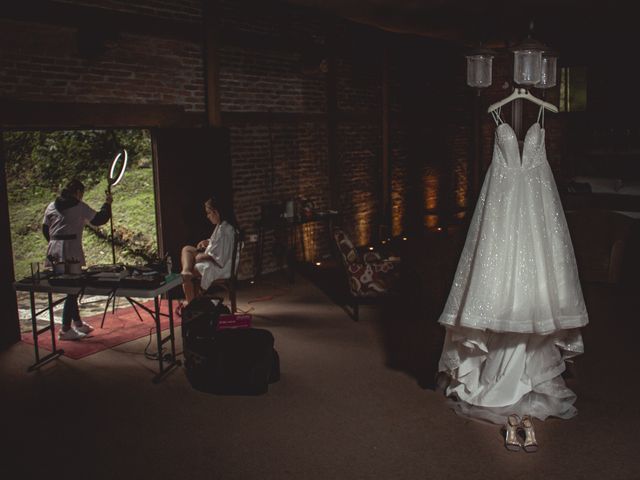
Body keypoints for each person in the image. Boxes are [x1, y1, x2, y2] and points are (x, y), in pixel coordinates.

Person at [437, 104, 588, 452]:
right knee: (495, 282)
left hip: (537, 205)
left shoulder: (542, 118)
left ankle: (524, 374)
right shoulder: (496, 116)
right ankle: (500, 377)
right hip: (500, 207)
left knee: (536, 286)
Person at [42, 178, 112, 340]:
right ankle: (66, 329)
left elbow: (45, 230)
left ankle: (78, 323)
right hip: (71, 250)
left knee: (71, 288)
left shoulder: (51, 206)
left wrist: (55, 243)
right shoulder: (79, 207)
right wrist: (107, 203)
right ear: (78, 193)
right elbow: (100, 219)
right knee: (72, 289)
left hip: (54, 250)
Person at [179, 197, 238, 309]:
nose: (208, 216)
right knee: (187, 249)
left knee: (189, 274)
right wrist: (207, 242)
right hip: (214, 258)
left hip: (221, 267)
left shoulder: (226, 230)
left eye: (209, 213)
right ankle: (186, 271)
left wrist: (204, 256)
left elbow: (221, 259)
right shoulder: (221, 226)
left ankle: (192, 305)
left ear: (216, 212)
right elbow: (219, 244)